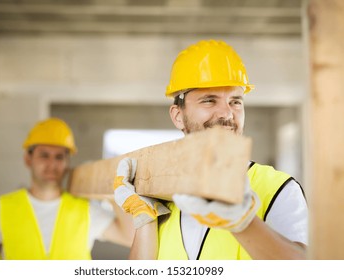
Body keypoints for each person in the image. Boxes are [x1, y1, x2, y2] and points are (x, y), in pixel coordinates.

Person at [113, 40, 308, 260]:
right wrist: (145, 219)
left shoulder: (277, 188)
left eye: (235, 101)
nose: (226, 113)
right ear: (178, 116)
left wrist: (243, 222)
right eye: (209, 100)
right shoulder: (161, 193)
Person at [0, 117, 133, 260]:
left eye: (59, 157)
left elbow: (129, 237)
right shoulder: (2, 209)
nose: (52, 164)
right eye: (44, 155)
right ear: (28, 159)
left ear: (67, 162)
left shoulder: (85, 210)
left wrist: (113, 191)